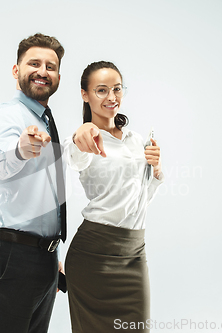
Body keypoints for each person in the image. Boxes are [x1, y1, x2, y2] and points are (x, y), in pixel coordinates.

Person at [63, 61, 164, 333]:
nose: (111, 97)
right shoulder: (84, 139)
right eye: (101, 90)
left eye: (117, 89)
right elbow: (74, 158)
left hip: (134, 252)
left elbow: (140, 199)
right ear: (85, 94)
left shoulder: (135, 139)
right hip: (93, 253)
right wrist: (80, 134)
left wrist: (155, 169)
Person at [0, 33, 67, 333]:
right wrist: (19, 150)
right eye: (34, 63)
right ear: (16, 71)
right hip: (13, 256)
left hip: (41, 258)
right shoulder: (9, 115)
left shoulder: (44, 119)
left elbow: (44, 195)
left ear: (58, 76)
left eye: (51, 66)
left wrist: (51, 255)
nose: (43, 71)